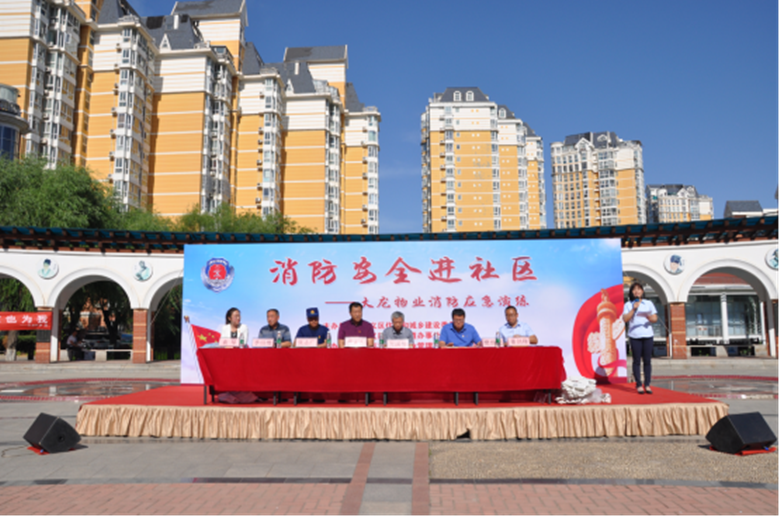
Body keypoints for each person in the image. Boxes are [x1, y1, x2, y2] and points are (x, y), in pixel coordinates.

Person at [622, 283, 659, 395]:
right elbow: (625, 319)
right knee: (636, 361)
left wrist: (649, 317)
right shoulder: (628, 304)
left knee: (647, 361)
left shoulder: (648, 303)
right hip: (635, 336)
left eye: (639, 289)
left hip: (647, 335)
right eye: (634, 289)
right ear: (632, 292)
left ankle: (647, 384)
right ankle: (638, 384)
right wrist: (634, 308)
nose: (637, 291)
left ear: (642, 291)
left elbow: (655, 318)